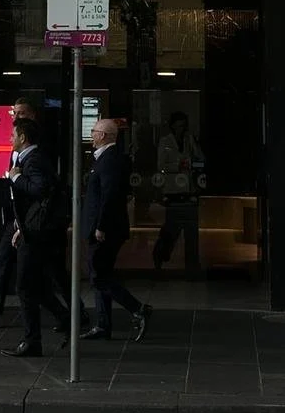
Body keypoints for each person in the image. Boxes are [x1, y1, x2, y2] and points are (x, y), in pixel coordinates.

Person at [0, 96, 82, 334]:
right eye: (14, 113)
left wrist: (16, 179)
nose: (15, 118)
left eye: (21, 114)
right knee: (8, 261)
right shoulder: (20, 149)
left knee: (44, 275)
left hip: (34, 222)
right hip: (21, 219)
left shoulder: (38, 149)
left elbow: (39, 188)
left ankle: (70, 316)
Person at [2, 108, 73, 358]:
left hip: (37, 234)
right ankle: (66, 318)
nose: (10, 139)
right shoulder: (30, 159)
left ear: (23, 136)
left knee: (24, 286)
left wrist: (16, 178)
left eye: (13, 134)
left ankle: (32, 340)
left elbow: (39, 190)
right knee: (38, 284)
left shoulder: (33, 161)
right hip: (32, 229)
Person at [83, 118, 151, 342]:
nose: (91, 135)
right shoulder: (103, 159)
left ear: (104, 135)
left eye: (94, 131)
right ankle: (103, 324)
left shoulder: (110, 160)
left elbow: (109, 195)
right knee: (101, 273)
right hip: (103, 227)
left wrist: (101, 226)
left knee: (98, 275)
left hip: (105, 229)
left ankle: (138, 308)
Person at [152, 110, 203, 272]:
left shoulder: (188, 140)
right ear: (173, 125)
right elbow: (160, 166)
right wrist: (177, 166)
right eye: (179, 125)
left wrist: (193, 143)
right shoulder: (165, 141)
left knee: (190, 229)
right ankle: (160, 254)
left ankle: (192, 264)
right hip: (173, 189)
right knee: (172, 228)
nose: (182, 128)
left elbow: (200, 159)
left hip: (188, 189)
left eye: (184, 125)